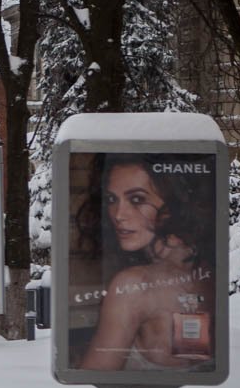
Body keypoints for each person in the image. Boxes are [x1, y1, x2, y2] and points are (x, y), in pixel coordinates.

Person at [75, 155, 215, 371]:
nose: (118, 215)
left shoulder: (133, 285)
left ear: (174, 202)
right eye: (112, 200)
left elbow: (91, 382)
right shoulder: (207, 268)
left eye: (137, 199)